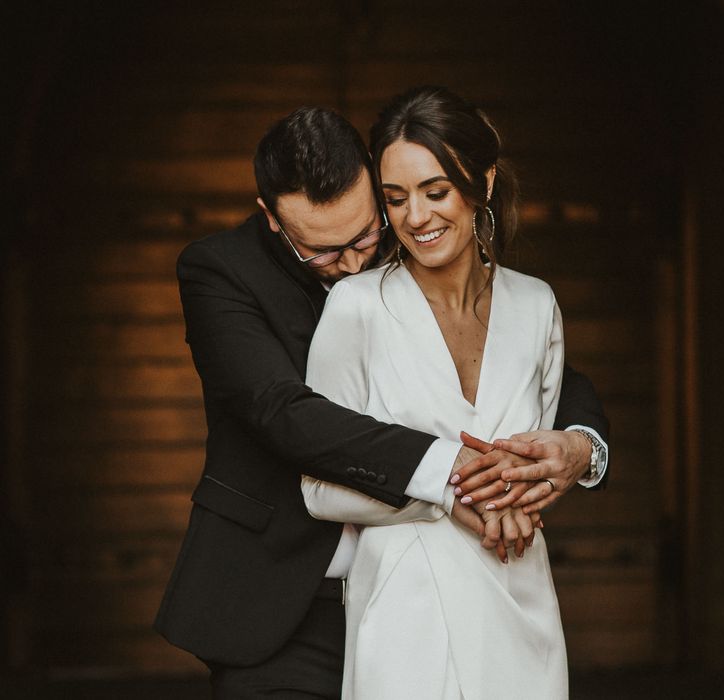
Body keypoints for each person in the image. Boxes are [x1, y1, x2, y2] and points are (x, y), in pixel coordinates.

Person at [154, 104, 608, 699]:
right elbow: (279, 409)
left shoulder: (418, 247)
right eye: (319, 252)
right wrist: (456, 475)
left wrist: (582, 444)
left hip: (435, 596)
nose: (351, 265)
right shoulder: (220, 271)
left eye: (366, 234)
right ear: (271, 218)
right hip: (286, 605)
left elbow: (534, 364)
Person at [301, 86, 582, 699]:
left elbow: (542, 465)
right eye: (396, 199)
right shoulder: (357, 308)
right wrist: (447, 496)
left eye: (436, 191)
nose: (416, 217)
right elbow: (319, 488)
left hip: (518, 592)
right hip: (406, 609)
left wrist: (525, 490)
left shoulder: (536, 306)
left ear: (480, 181)